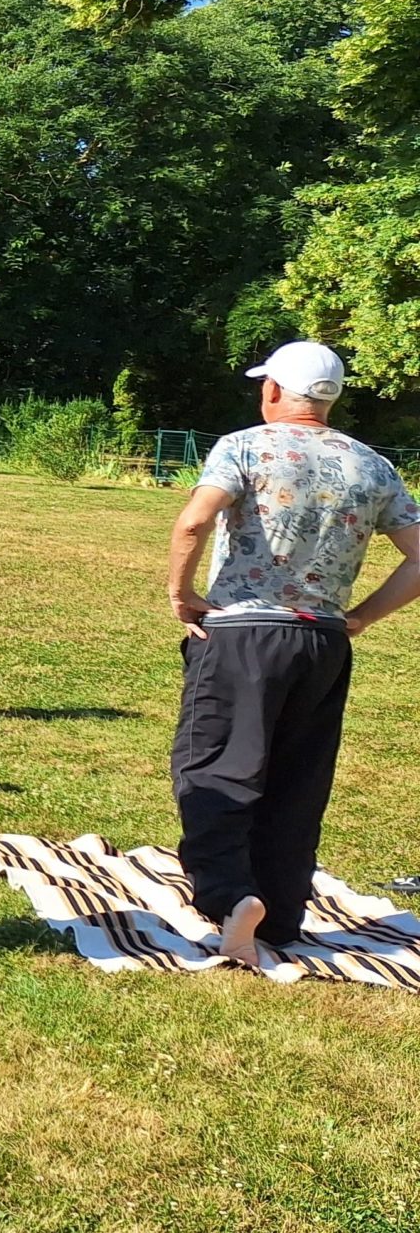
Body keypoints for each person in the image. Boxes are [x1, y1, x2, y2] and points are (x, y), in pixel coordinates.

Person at [165, 341, 420, 964]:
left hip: (243, 634)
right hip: (323, 643)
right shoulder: (374, 466)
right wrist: (359, 617)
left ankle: (230, 899)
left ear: (275, 390)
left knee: (216, 767)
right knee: (298, 779)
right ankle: (280, 916)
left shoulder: (246, 446)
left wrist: (181, 593)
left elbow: (194, 522)